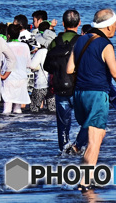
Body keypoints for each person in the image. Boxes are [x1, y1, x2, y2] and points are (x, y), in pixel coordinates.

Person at [65, 8, 116, 174]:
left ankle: (77, 152)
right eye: (115, 25)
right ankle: (85, 182)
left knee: (94, 133)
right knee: (95, 141)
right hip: (97, 95)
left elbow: (69, 69)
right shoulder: (105, 45)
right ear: (108, 27)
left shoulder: (80, 40)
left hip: (79, 94)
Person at [44, 9, 84, 152]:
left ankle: (64, 150)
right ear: (79, 23)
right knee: (85, 120)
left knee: (63, 123)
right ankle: (79, 146)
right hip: (78, 87)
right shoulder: (82, 41)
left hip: (60, 86)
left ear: (62, 23)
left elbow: (47, 66)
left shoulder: (55, 42)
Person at [2, 25, 31, 114]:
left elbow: (0, 62)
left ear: (8, 35)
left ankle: (5, 126)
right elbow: (28, 64)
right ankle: (18, 126)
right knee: (18, 108)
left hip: (8, 78)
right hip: (21, 78)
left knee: (7, 107)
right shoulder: (25, 46)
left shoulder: (5, 45)